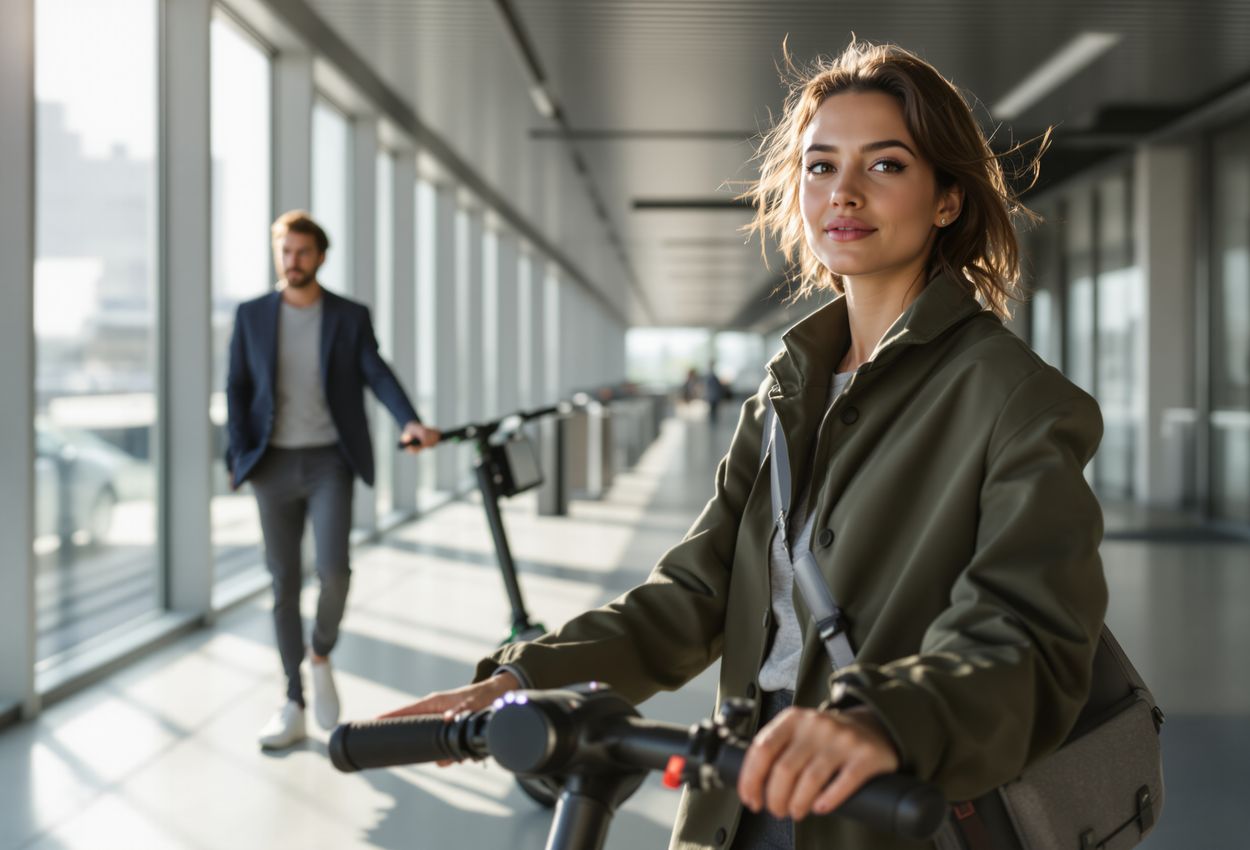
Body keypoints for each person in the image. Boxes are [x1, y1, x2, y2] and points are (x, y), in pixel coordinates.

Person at [384, 39, 1106, 850]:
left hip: (884, 814)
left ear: (946, 199)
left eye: (888, 166)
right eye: (821, 165)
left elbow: (1028, 636)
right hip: (739, 800)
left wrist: (884, 722)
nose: (846, 193)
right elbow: (694, 593)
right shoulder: (785, 389)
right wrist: (523, 678)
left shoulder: (1015, 399)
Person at [227, 210, 441, 750]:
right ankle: (293, 698)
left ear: (320, 256)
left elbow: (376, 371)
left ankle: (320, 653)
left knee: (334, 572)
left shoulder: (348, 315)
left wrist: (409, 419)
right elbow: (237, 387)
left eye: (301, 252)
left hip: (329, 461)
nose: (292, 261)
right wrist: (235, 457)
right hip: (272, 465)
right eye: (285, 251)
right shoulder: (252, 315)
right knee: (283, 584)